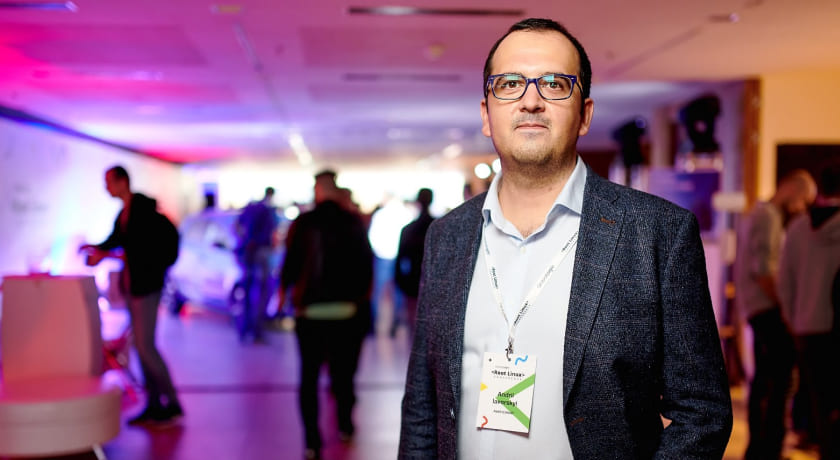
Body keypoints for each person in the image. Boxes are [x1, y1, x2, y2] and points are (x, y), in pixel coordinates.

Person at [398, 18, 732, 459]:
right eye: (509, 84)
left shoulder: (657, 234)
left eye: (554, 84)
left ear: (585, 114)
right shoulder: (447, 236)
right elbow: (423, 407)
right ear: (486, 114)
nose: (530, 101)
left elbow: (702, 413)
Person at [279, 169, 374, 460]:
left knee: (308, 378)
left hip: (310, 312)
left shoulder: (303, 223)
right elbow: (365, 265)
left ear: (318, 190)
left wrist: (284, 295)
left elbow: (291, 263)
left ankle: (312, 441)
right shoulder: (352, 222)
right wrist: (361, 303)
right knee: (343, 374)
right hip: (346, 312)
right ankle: (345, 424)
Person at [79, 165, 183, 426]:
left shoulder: (140, 212)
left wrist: (104, 254)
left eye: (109, 182)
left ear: (122, 181)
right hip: (136, 286)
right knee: (141, 347)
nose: (106, 188)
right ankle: (155, 403)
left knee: (145, 347)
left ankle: (171, 403)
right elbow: (117, 241)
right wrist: (97, 249)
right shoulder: (126, 213)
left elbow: (137, 251)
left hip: (146, 287)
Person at [733, 168, 817, 460]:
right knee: (780, 380)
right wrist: (786, 308)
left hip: (758, 307)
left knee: (766, 380)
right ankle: (770, 448)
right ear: (791, 189)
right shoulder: (768, 216)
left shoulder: (760, 214)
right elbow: (764, 271)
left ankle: (762, 448)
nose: (802, 208)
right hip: (767, 308)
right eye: (804, 200)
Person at [778, 163, 840, 460]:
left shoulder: (797, 227)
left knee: (819, 405)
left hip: (806, 325)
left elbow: (785, 281)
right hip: (834, 326)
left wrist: (793, 320)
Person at [234, 186, 280, 343]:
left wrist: (245, 242)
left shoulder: (250, 209)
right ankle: (256, 330)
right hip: (260, 252)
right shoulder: (267, 211)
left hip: (248, 253)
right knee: (262, 292)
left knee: (247, 292)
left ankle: (244, 328)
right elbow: (272, 233)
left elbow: (237, 227)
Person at [394, 188, 435, 336]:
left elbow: (399, 261)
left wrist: (401, 283)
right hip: (433, 283)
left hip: (413, 283)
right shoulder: (439, 227)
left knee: (415, 329)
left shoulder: (409, 229)